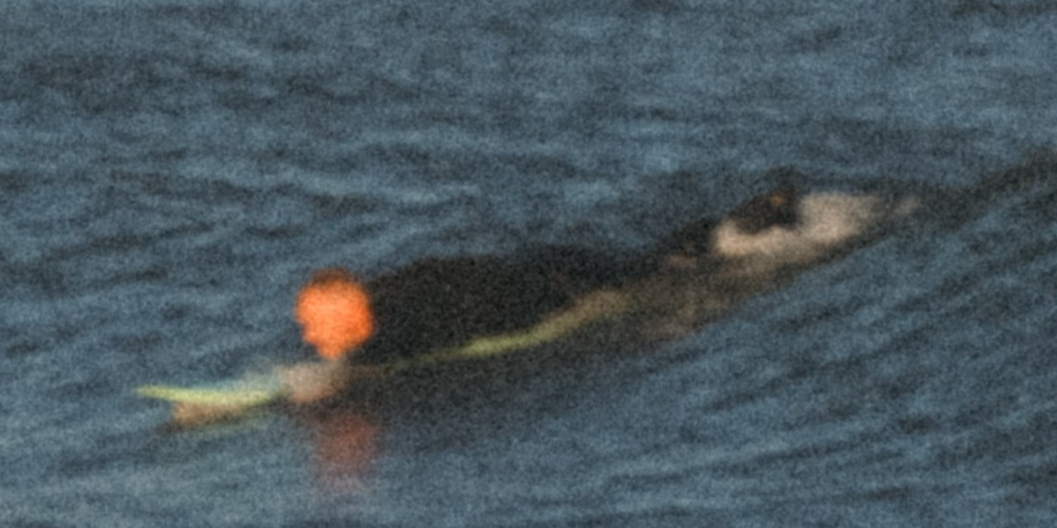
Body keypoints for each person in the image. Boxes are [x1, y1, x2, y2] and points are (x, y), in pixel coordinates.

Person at [295, 177, 815, 371]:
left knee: (668, 272)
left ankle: (757, 224)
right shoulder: (383, 299)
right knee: (653, 260)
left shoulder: (394, 326)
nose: (306, 334)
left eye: (316, 321)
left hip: (557, 282)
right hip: (536, 267)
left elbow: (397, 342)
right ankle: (743, 222)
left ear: (351, 307)